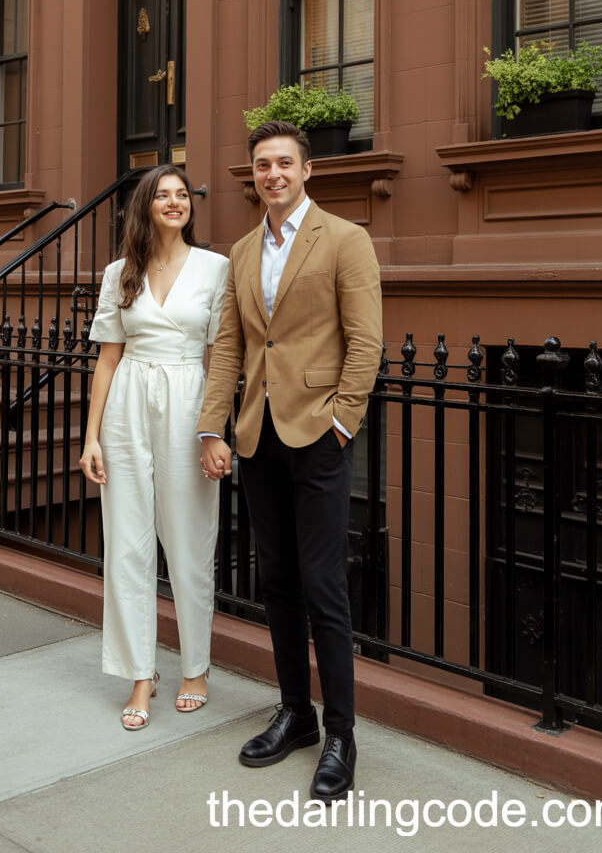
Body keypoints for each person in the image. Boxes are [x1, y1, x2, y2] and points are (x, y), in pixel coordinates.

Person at [198, 120, 382, 801]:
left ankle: (341, 734)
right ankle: (296, 714)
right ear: (253, 177)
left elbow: (366, 341)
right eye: (262, 165)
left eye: (283, 163)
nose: (272, 174)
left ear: (307, 171)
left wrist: (341, 422)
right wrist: (211, 427)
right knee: (276, 580)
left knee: (324, 584)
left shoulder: (345, 240)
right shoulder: (243, 251)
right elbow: (230, 346)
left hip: (318, 433)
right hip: (257, 434)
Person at [80, 165, 229, 730]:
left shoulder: (215, 268)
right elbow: (107, 359)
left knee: (189, 539)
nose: (174, 202)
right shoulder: (120, 272)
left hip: (188, 398)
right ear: (145, 206)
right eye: (163, 195)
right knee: (126, 544)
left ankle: (196, 668)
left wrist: (214, 430)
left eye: (182, 194)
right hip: (127, 402)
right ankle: (140, 673)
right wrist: (91, 437)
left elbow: (221, 356)